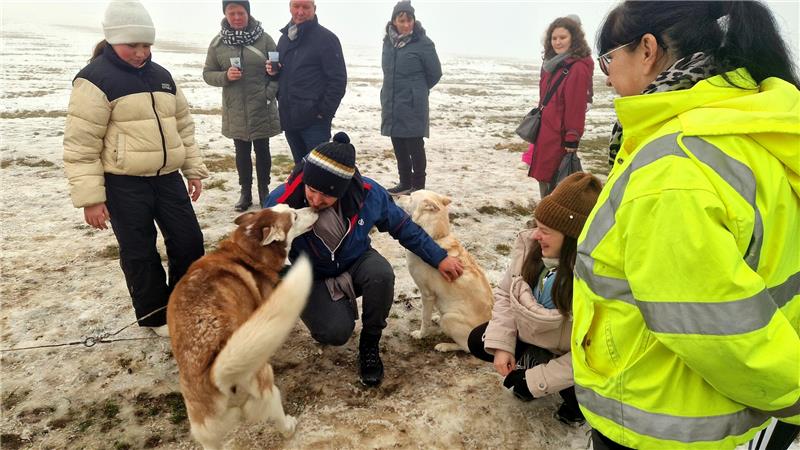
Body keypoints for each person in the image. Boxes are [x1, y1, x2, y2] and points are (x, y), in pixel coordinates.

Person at [571, 2, 800, 449]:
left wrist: (793, 393)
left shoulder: (673, 169)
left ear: (648, 50)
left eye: (609, 59)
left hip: (670, 420)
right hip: (737, 413)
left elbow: (718, 331)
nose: (605, 74)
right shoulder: (751, 122)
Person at [265, 131, 464, 387]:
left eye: (326, 195)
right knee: (334, 333)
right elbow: (261, 249)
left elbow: (403, 226)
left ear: (345, 189)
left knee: (380, 273)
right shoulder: (281, 202)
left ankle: (369, 344)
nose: (316, 200)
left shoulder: (369, 194)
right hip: (311, 274)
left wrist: (439, 258)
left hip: (355, 260)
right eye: (312, 190)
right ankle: (329, 308)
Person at [63, 0, 208, 337]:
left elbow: (183, 127)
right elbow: (82, 144)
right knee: (140, 252)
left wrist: (194, 170)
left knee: (189, 242)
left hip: (168, 179)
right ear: (112, 40)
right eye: (133, 45)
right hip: (123, 184)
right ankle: (156, 316)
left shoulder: (163, 77)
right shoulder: (94, 79)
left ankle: (186, 305)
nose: (141, 52)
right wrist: (91, 199)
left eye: (146, 45)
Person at [467, 172, 602, 425]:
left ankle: (577, 406)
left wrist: (537, 380)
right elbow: (506, 295)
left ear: (573, 236)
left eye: (545, 230)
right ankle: (532, 365)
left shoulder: (591, 282)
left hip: (572, 357)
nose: (536, 235)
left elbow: (592, 354)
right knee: (479, 340)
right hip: (536, 339)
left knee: (582, 389)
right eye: (536, 226)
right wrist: (503, 346)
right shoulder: (531, 249)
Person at [203, 0, 281, 211]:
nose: (237, 17)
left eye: (241, 13)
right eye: (232, 13)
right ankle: (245, 192)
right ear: (226, 15)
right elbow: (208, 74)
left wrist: (269, 91)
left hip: (261, 106)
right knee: (241, 151)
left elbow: (278, 71)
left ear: (248, 13)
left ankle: (264, 191)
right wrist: (225, 76)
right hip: (235, 108)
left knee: (263, 149)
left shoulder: (265, 40)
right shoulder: (218, 43)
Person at [267, 0, 347, 164]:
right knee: (301, 169)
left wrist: (323, 113)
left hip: (314, 121)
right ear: (290, 8)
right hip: (289, 117)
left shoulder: (327, 39)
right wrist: (274, 73)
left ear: (314, 9)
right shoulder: (284, 39)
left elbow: (338, 80)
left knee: (319, 171)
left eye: (306, 7)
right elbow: (285, 76)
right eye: (296, 6)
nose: (300, 12)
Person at [522, 16, 593, 200]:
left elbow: (576, 106)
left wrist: (572, 137)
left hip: (559, 136)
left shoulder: (577, 67)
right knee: (544, 178)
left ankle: (552, 221)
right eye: (554, 38)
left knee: (558, 181)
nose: (558, 42)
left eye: (563, 37)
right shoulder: (551, 64)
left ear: (574, 39)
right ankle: (545, 218)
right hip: (545, 131)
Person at [380, 0, 442, 195]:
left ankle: (419, 186)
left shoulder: (423, 43)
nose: (406, 24)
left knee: (414, 144)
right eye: (402, 20)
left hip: (413, 103)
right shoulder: (388, 43)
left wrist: (417, 90)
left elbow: (435, 73)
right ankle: (405, 182)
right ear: (394, 21)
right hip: (392, 100)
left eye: (409, 20)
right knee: (397, 141)